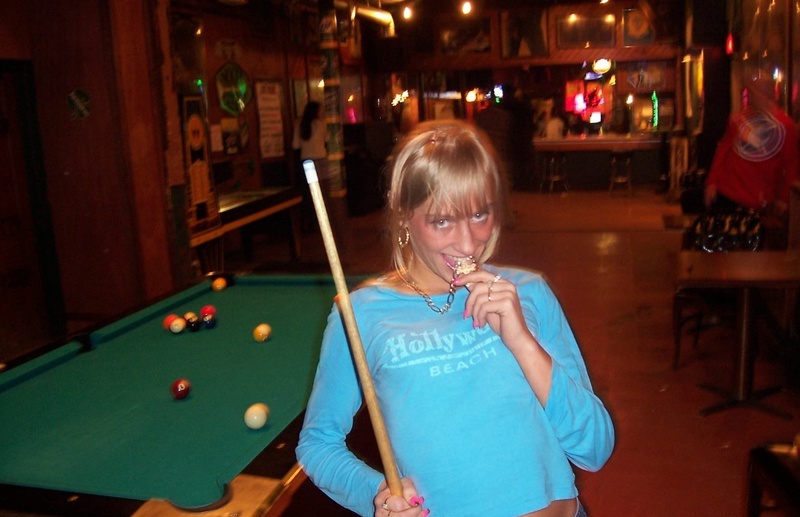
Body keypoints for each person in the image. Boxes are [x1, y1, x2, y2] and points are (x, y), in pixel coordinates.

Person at [296, 120, 615, 517]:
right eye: (442, 221)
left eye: (480, 214)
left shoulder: (528, 291)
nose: (468, 243)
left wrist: (521, 342)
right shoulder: (360, 314)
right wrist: (377, 492)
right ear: (402, 213)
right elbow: (318, 443)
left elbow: (595, 448)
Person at [704, 75, 799, 219]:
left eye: (753, 94)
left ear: (765, 95)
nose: (749, 98)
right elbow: (723, 151)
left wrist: (785, 199)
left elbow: (791, 165)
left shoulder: (785, 126)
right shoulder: (739, 119)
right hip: (727, 192)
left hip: (757, 201)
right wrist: (712, 182)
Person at [293, 101, 329, 232]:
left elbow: (295, 145)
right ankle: (322, 222)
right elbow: (327, 140)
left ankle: (310, 221)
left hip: (306, 161)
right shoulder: (322, 124)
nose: (321, 112)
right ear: (315, 112)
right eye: (320, 110)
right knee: (322, 192)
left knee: (309, 193)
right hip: (320, 159)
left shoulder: (300, 125)